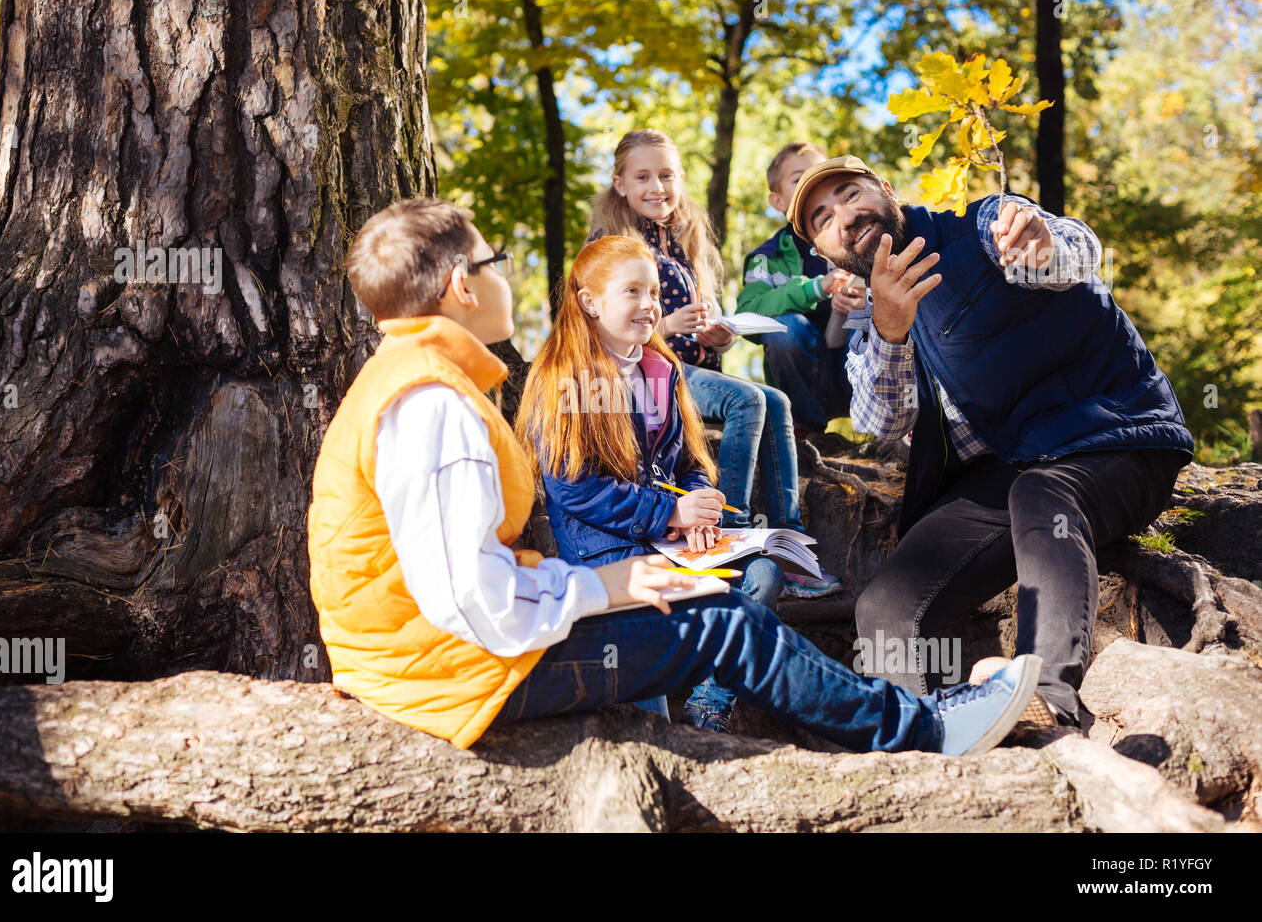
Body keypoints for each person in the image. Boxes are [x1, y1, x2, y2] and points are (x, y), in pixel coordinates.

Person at [306, 195, 1044, 756]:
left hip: (439, 661)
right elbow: (471, 601)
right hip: (445, 676)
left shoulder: (418, 382)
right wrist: (604, 585)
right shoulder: (433, 404)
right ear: (462, 287)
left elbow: (469, 585)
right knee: (725, 625)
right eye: (493, 260)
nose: (506, 272)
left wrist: (646, 554)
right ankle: (926, 733)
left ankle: (913, 717)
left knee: (725, 598)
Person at [787, 156, 1195, 728]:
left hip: (1111, 436)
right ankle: (922, 738)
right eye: (824, 219)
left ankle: (1048, 697)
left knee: (1041, 495)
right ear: (824, 253)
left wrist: (1040, 244)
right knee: (885, 606)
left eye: (851, 195)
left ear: (886, 189)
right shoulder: (867, 321)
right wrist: (891, 330)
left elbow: (1074, 249)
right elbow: (881, 422)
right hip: (1004, 473)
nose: (845, 217)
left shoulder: (979, 225)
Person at [516, 234, 783, 732]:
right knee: (649, 712)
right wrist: (669, 513)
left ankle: (708, 707)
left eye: (655, 293)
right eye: (632, 292)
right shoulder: (563, 377)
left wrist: (697, 501)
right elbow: (573, 488)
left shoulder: (662, 369)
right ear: (590, 302)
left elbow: (687, 461)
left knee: (763, 573)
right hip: (609, 556)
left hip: (671, 542)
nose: (650, 305)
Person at [588, 129, 840, 599]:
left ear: (681, 179)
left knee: (776, 401)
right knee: (746, 401)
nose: (657, 187)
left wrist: (719, 337)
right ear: (619, 183)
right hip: (640, 373)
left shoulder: (683, 241)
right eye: (643, 177)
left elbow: (703, 331)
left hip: (691, 370)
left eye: (667, 175)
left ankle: (790, 545)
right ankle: (730, 535)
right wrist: (666, 326)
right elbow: (597, 329)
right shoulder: (611, 246)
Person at [738, 141, 866, 432]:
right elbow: (746, 313)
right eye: (799, 179)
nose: (811, 183)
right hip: (803, 379)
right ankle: (802, 431)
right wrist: (814, 289)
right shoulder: (766, 257)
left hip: (855, 368)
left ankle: (898, 427)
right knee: (786, 328)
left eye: (819, 175)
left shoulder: (858, 237)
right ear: (778, 201)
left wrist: (864, 305)